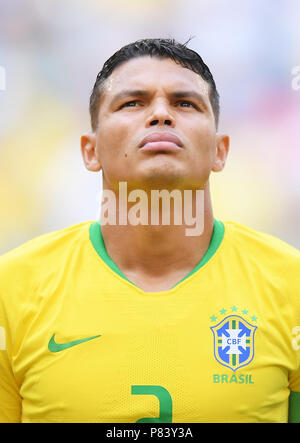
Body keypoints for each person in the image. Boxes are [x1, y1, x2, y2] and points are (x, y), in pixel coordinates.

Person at [0, 38, 299, 424]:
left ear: (219, 151)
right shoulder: (11, 289)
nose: (160, 114)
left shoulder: (291, 285)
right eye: (132, 103)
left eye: (184, 103)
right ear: (90, 151)